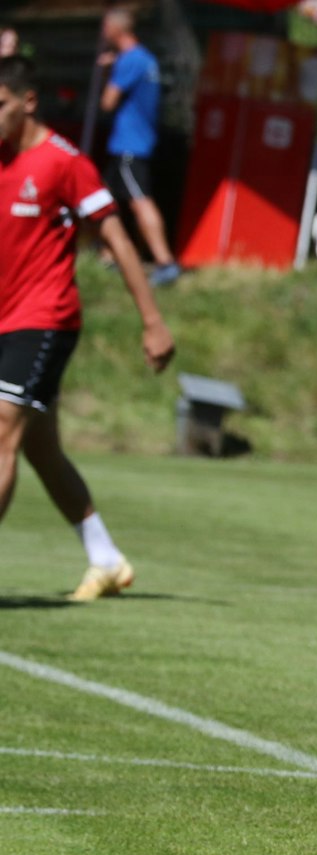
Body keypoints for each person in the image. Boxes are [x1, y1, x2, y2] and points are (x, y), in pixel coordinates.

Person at [0, 57, 175, 598]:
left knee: (2, 432)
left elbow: (116, 239)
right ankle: (107, 559)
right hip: (5, 320)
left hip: (43, 318)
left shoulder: (64, 162)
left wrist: (152, 321)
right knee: (41, 449)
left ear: (27, 102)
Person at [97, 6, 177, 287]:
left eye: (105, 26)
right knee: (107, 200)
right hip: (137, 141)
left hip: (129, 144)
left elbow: (108, 102)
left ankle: (165, 262)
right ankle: (110, 255)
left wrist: (107, 71)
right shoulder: (145, 58)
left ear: (116, 29)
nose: (103, 32)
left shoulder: (129, 60)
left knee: (140, 201)